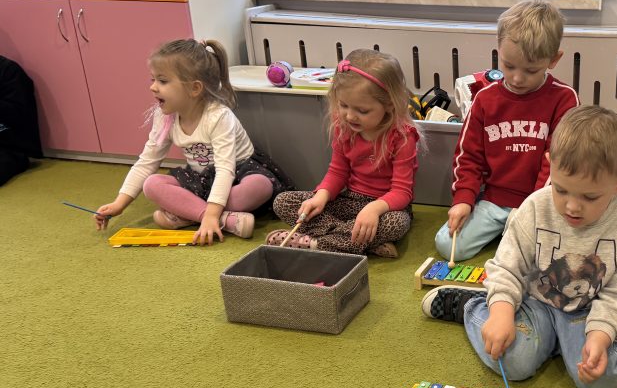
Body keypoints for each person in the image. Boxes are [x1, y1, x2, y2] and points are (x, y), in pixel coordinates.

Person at [421, 105, 617, 388]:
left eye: (590, 196)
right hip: (537, 303)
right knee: (513, 362)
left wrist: (601, 336)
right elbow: (507, 267)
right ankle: (474, 306)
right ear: (550, 165)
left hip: (593, 308)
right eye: (561, 189)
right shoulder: (534, 207)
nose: (572, 206)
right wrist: (502, 311)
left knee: (601, 380)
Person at [96, 39, 291, 244]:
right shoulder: (164, 116)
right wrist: (119, 204)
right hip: (201, 178)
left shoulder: (218, 116)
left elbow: (225, 169)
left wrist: (211, 214)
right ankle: (225, 220)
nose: (153, 87)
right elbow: (147, 162)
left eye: (162, 81)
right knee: (152, 185)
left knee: (260, 186)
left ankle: (190, 213)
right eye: (152, 79)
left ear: (195, 88)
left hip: (238, 172)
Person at [434, 0, 578, 263]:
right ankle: (507, 234)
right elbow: (468, 156)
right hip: (494, 202)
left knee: (550, 257)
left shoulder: (564, 98)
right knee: (446, 243)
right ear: (499, 49)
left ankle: (514, 236)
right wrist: (463, 199)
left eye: (531, 70)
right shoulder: (485, 99)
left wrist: (532, 210)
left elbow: (557, 162)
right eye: (509, 66)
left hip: (542, 205)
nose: (517, 78)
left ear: (554, 59)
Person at [267, 49, 418, 258]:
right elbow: (337, 172)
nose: (350, 116)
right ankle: (362, 241)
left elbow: (402, 192)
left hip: (386, 208)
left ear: (389, 104)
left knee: (396, 224)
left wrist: (374, 209)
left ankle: (317, 244)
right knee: (283, 202)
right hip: (349, 200)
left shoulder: (402, 136)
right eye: (343, 105)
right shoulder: (343, 126)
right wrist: (321, 196)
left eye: (362, 111)